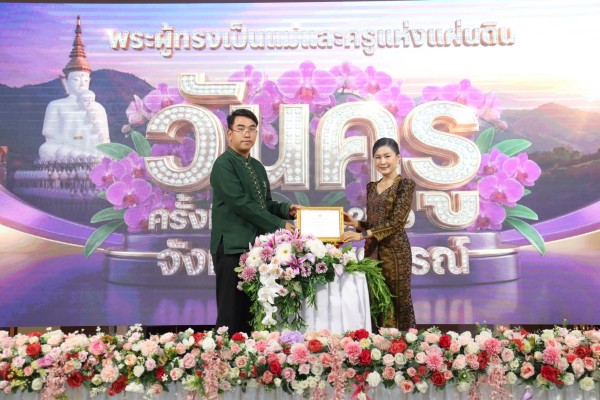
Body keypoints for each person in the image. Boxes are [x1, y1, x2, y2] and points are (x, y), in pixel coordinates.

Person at [210, 109, 300, 334]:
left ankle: (249, 354)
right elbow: (241, 204)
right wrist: (279, 225)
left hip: (255, 250)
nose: (247, 134)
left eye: (252, 129)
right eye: (240, 129)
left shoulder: (257, 166)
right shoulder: (224, 164)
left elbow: (263, 204)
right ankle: (226, 353)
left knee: (251, 312)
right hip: (231, 248)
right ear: (229, 134)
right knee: (231, 312)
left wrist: (286, 210)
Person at [341, 138, 416, 330]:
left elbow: (396, 222)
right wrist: (356, 224)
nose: (383, 161)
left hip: (395, 253)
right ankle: (378, 344)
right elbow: (375, 224)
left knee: (397, 300)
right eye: (378, 157)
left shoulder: (405, 185)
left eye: (387, 156)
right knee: (375, 299)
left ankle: (404, 343)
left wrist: (361, 235)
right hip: (372, 251)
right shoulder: (371, 187)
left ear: (398, 158)